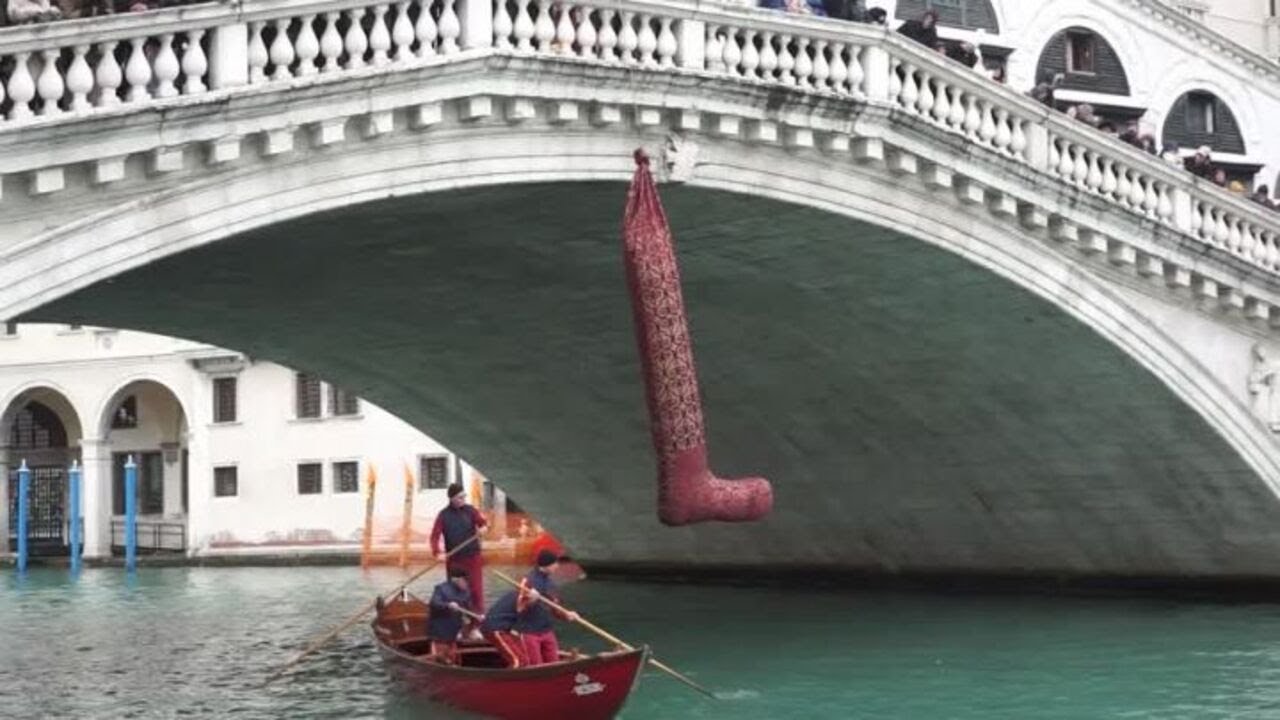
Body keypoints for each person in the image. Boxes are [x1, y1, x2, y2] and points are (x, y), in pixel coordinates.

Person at [430, 482, 488, 634]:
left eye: (464, 496)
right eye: (460, 497)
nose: (463, 499)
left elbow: (483, 523)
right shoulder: (443, 515)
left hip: (473, 558)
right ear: (452, 498)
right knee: (454, 593)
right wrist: (437, 553)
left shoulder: (471, 511)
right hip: (454, 560)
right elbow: (434, 536)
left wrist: (483, 528)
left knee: (476, 591)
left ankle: (476, 626)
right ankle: (457, 626)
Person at [515, 549, 582, 666]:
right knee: (536, 666)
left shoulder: (550, 583)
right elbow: (519, 607)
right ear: (547, 565)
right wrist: (531, 600)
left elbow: (555, 607)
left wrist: (567, 615)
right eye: (555, 563)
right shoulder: (528, 581)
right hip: (529, 633)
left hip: (547, 631)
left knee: (554, 664)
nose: (557, 566)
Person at [427, 566, 477, 665]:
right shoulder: (441, 589)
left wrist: (476, 618)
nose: (467, 583)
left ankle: (453, 663)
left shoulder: (466, 591)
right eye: (465, 580)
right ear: (456, 580)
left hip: (455, 627)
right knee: (440, 654)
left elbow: (469, 608)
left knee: (452, 651)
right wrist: (448, 605)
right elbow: (434, 603)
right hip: (440, 627)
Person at [479, 590, 527, 668]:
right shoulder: (523, 597)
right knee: (518, 661)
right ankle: (512, 679)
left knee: (524, 660)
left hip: (508, 628)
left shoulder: (521, 596)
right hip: (497, 628)